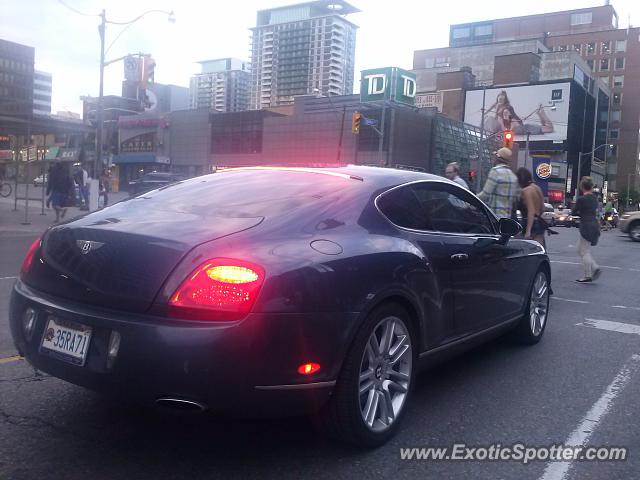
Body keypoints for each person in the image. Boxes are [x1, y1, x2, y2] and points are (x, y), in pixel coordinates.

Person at [572, 176, 601, 283]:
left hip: (586, 226)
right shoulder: (594, 198)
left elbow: (574, 212)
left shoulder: (582, 199)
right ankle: (593, 268)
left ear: (582, 187)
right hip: (594, 224)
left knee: (584, 251)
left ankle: (589, 274)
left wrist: (579, 212)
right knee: (580, 249)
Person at [478, 147, 520, 219]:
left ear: (497, 158)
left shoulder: (496, 171)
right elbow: (516, 198)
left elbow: (485, 194)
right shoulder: (513, 177)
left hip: (495, 217)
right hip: (507, 218)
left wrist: (471, 200)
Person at [515, 167, 546, 247]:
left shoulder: (526, 191)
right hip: (539, 221)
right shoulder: (537, 188)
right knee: (539, 249)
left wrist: (528, 231)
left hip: (529, 222)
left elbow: (530, 211)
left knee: (527, 249)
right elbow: (542, 208)